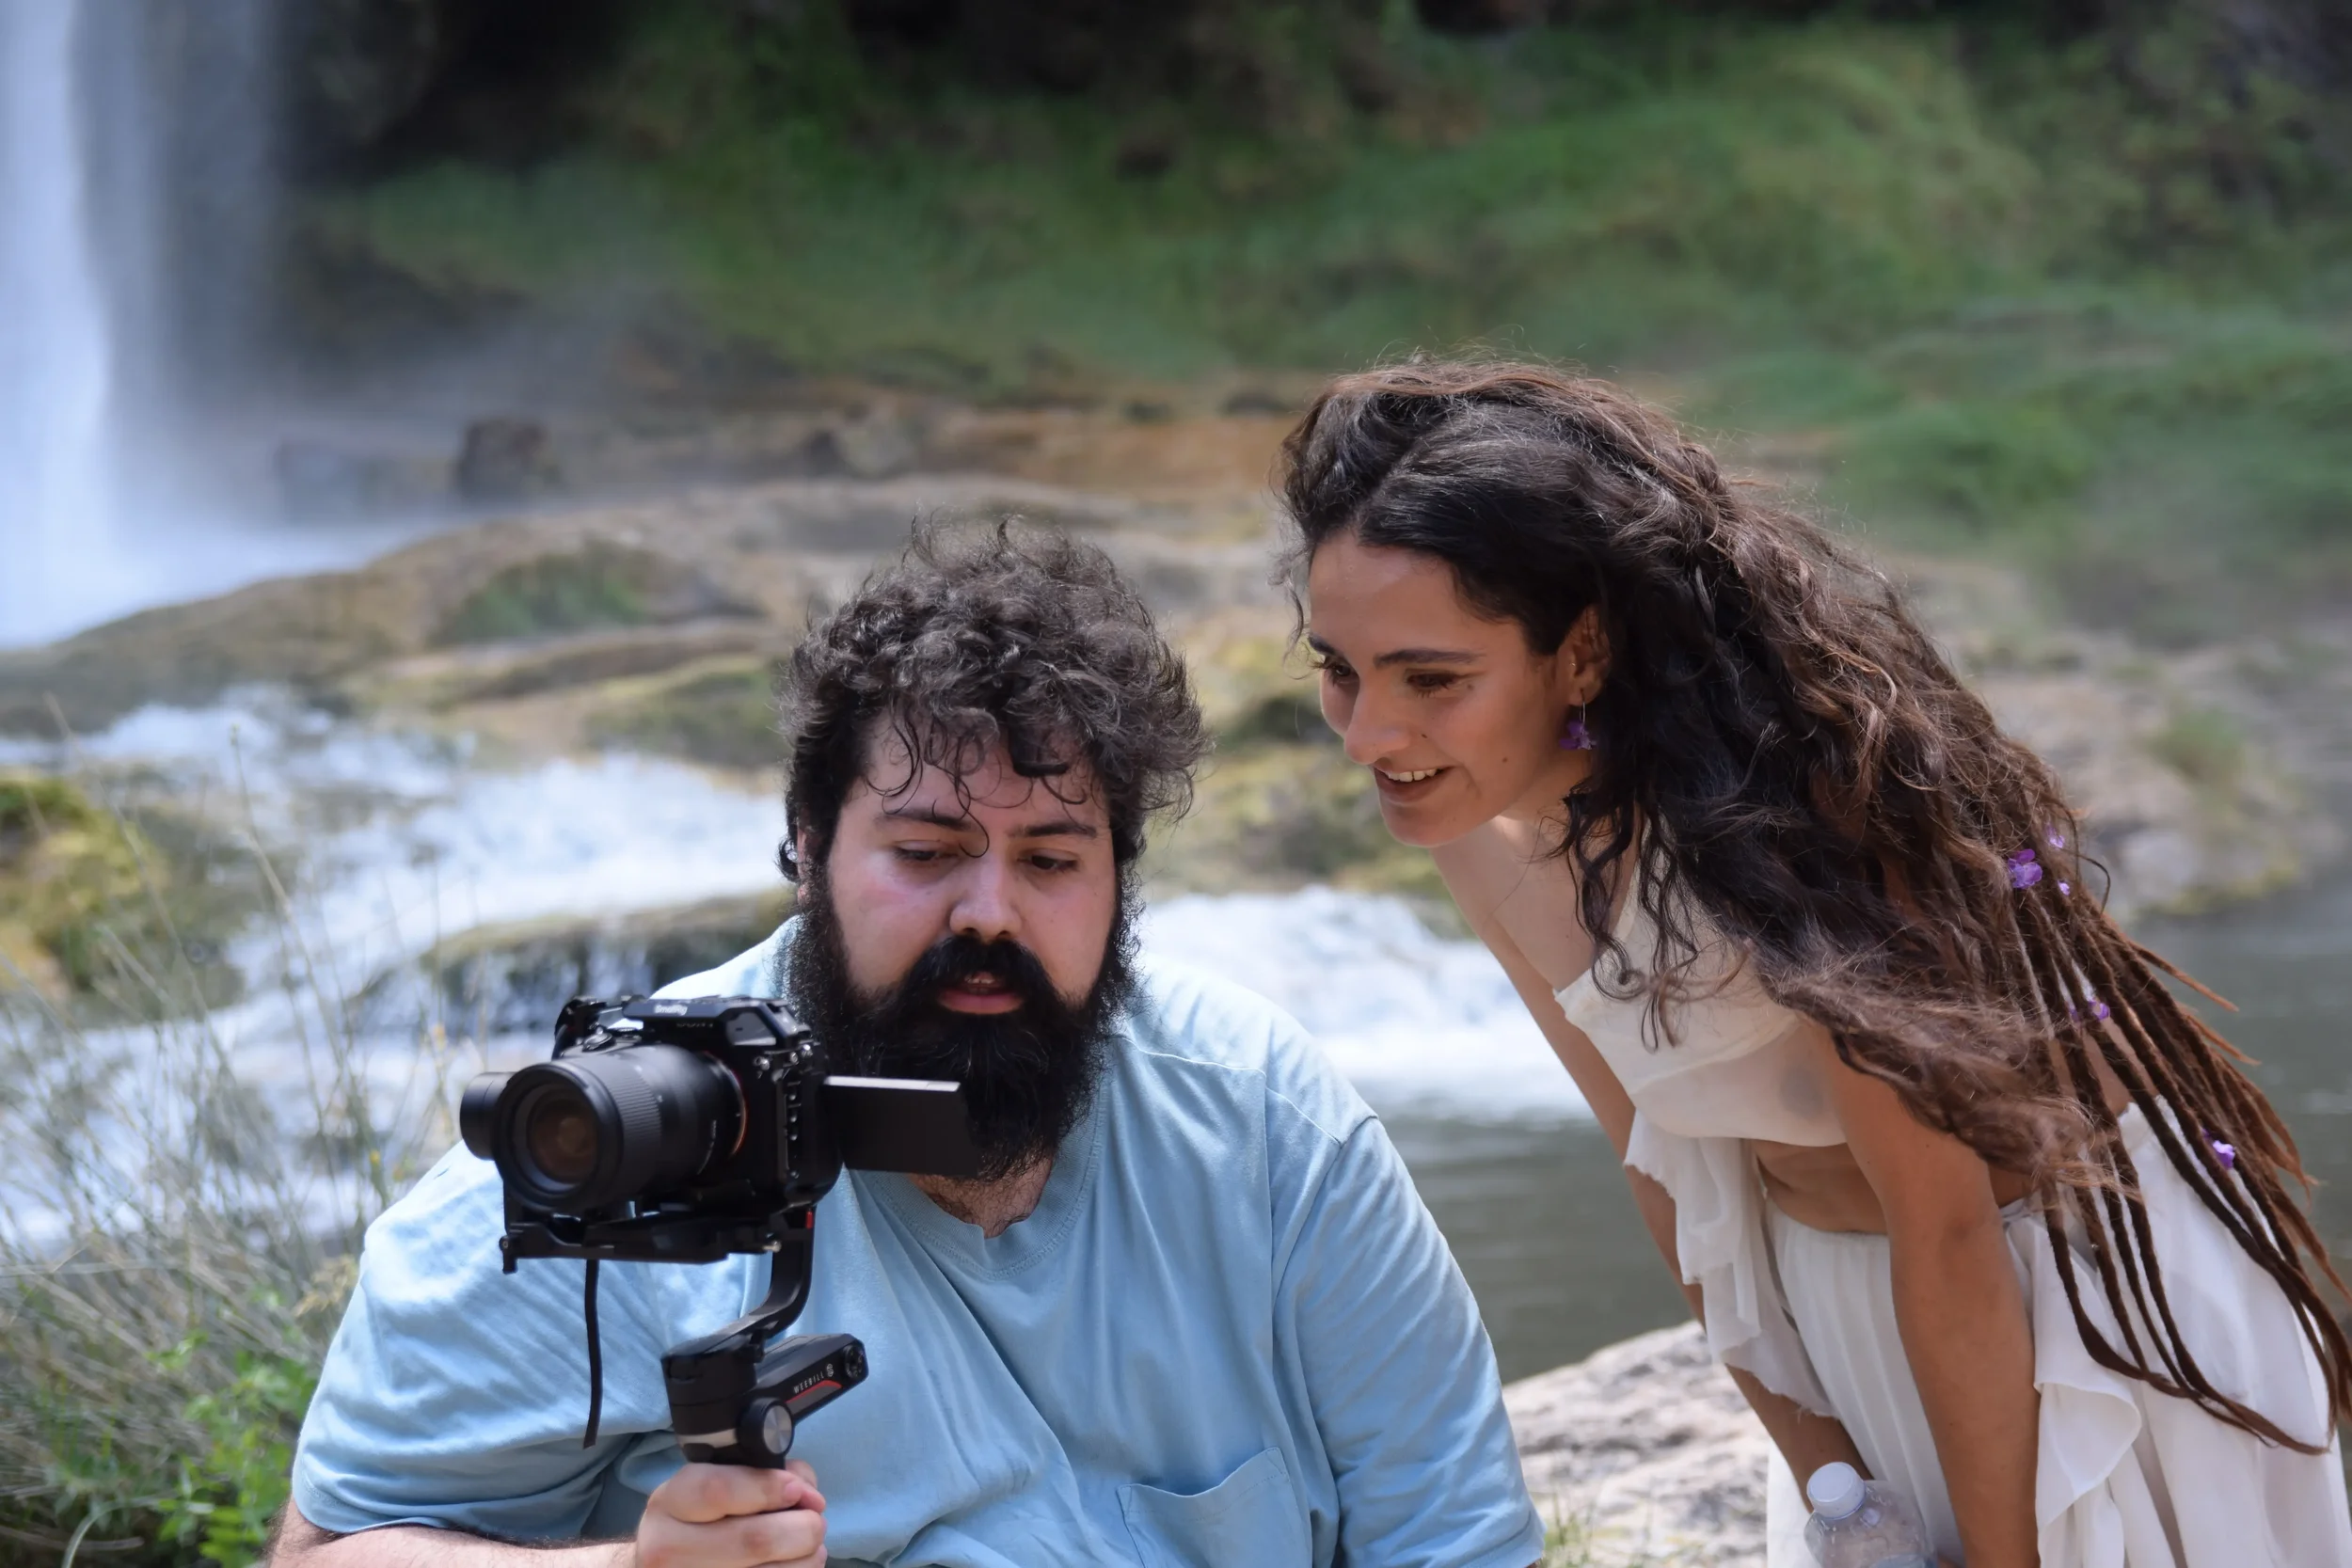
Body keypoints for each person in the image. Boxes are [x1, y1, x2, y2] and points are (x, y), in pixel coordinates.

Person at [273, 523, 1546, 1568]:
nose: (987, 912)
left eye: (1051, 858)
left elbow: (1456, 1537)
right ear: (808, 849)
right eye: (927, 852)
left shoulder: (1268, 1121)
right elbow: (323, 1550)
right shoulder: (624, 1141)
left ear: (1120, 881)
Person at [1281, 361, 2352, 1567]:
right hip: (1849, 1323)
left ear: (1581, 653)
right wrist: (1830, 1476)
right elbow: (1666, 1171)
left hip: (2061, 1311)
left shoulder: (1811, 817)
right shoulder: (1473, 820)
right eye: (1338, 669)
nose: (1370, 732)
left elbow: (1944, 1229)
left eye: (1433, 678)